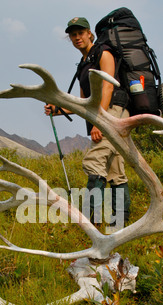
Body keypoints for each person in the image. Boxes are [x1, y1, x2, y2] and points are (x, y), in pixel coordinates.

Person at [45, 17, 131, 228]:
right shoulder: (83, 65)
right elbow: (84, 103)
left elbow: (109, 87)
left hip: (114, 112)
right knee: (115, 168)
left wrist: (98, 122)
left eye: (80, 33)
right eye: (73, 35)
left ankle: (91, 221)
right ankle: (119, 223)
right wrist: (57, 110)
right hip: (104, 114)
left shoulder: (104, 53)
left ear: (89, 33)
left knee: (93, 162)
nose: (77, 37)